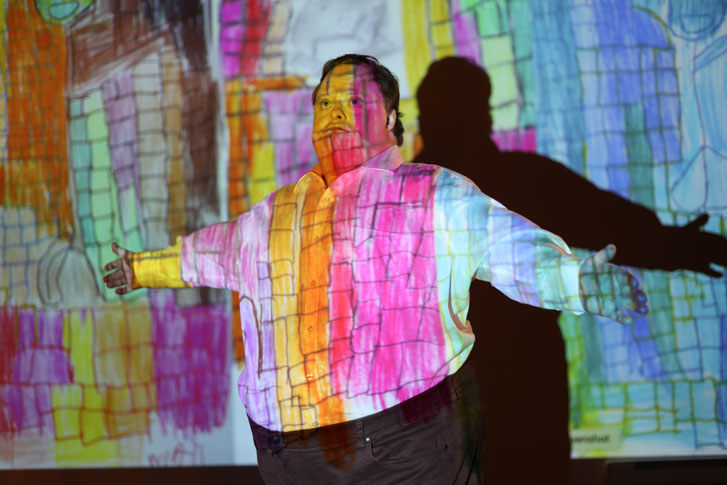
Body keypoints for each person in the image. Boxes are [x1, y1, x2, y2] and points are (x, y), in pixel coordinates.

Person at [103, 54, 648, 484]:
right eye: (324, 103)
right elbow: (203, 255)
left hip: (405, 448)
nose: (335, 112)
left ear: (389, 118)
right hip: (287, 457)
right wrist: (140, 268)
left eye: (353, 100)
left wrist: (575, 280)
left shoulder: (430, 192)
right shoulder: (268, 217)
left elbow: (505, 246)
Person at [413, 56, 727, 484]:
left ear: (422, 117)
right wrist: (684, 246)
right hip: (525, 397)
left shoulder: (389, 201)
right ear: (482, 114)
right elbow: (613, 224)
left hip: (433, 409)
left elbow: (611, 224)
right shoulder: (526, 181)